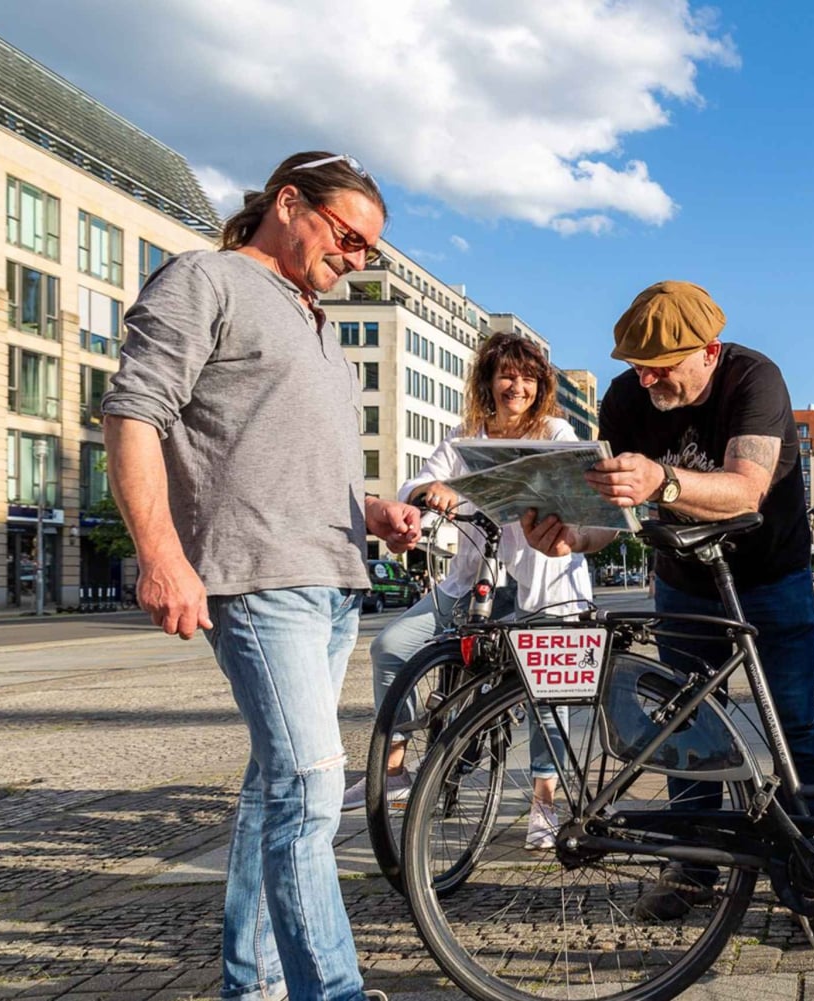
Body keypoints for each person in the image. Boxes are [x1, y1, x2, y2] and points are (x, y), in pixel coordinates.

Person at [101, 152, 421, 1001]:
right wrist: (162, 556)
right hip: (257, 578)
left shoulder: (315, 321)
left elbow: (287, 456)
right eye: (349, 237)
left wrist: (373, 509)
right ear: (288, 202)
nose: (357, 259)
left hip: (329, 579)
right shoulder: (205, 280)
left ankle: (254, 985)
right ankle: (334, 991)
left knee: (275, 791)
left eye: (369, 251)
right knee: (314, 791)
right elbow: (133, 412)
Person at [520, 281, 814, 929]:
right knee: (682, 726)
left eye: (662, 366)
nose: (648, 378)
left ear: (710, 350)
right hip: (683, 578)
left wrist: (663, 478)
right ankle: (692, 868)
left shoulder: (755, 380)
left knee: (796, 723)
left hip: (771, 571)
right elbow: (616, 510)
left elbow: (747, 491)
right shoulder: (625, 398)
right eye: (637, 365)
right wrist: (574, 536)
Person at [342, 332, 593, 851]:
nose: (516, 386)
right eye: (506, 375)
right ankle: (393, 769)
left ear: (541, 385)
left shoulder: (555, 430)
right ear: (488, 381)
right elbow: (418, 486)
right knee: (392, 647)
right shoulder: (464, 437)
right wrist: (428, 493)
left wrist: (476, 491)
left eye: (527, 377)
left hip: (544, 585)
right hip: (473, 581)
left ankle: (544, 803)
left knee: (547, 689)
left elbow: (566, 485)